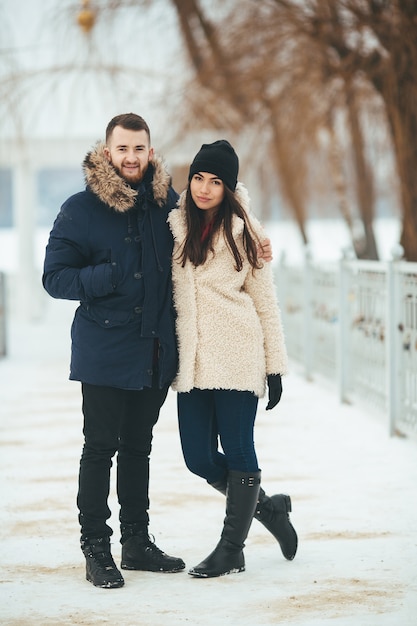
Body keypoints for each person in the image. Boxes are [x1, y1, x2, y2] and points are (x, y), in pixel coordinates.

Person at [42, 113, 186, 589]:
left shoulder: (167, 202)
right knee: (100, 448)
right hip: (104, 350)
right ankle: (96, 549)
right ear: (107, 153)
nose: (130, 158)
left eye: (139, 149)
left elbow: (207, 238)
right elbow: (55, 278)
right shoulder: (80, 209)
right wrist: (104, 278)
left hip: (154, 350)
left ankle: (137, 543)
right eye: (122, 149)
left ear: (150, 151)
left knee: (139, 449)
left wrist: (254, 242)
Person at [167, 139, 298, 578]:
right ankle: (269, 510)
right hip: (193, 360)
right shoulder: (174, 225)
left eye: (216, 181)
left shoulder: (248, 235)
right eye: (199, 178)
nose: (204, 188)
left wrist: (275, 367)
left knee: (239, 449)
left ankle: (231, 549)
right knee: (198, 459)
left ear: (229, 187)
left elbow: (266, 304)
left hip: (239, 354)